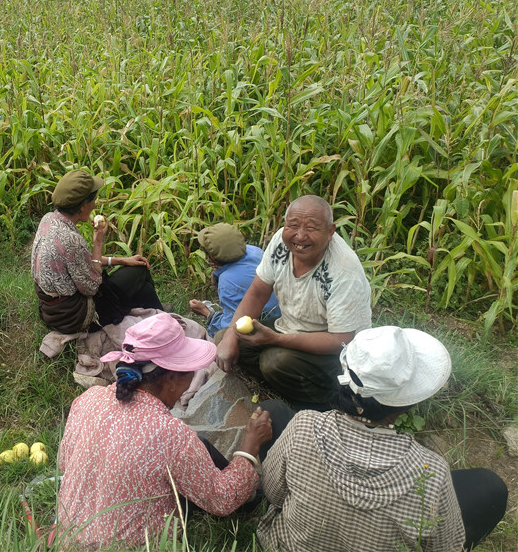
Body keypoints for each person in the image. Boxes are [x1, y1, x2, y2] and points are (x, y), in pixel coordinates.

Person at [258, 326, 508, 552]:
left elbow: (273, 493)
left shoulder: (304, 426)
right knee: (489, 486)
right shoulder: (431, 474)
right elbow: (445, 546)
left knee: (273, 411)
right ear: (407, 403)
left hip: (290, 545)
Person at [57, 313, 273, 550]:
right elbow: (222, 499)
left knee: (195, 450)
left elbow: (64, 465)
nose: (191, 381)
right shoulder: (171, 435)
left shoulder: (88, 400)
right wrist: (250, 446)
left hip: (68, 541)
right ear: (170, 378)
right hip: (133, 547)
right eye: (190, 373)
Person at [217, 195, 372, 408]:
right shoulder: (280, 242)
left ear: (330, 232)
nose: (300, 236)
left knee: (274, 361)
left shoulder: (344, 270)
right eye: (292, 225)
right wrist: (230, 335)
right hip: (289, 328)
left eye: (311, 228)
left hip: (336, 351)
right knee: (225, 339)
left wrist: (275, 340)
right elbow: (258, 293)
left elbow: (341, 340)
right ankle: (287, 380)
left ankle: (328, 402)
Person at [31, 169, 163, 334]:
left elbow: (81, 261)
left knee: (145, 290)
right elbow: (93, 287)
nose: (95, 204)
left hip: (53, 312)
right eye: (93, 200)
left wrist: (122, 260)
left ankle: (157, 313)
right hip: (74, 317)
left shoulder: (49, 220)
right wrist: (98, 241)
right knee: (139, 270)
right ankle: (161, 318)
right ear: (83, 206)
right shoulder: (71, 240)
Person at [188, 223, 280, 339]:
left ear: (211, 259)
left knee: (220, 337)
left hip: (270, 325)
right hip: (283, 311)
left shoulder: (227, 282)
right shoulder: (254, 251)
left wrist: (207, 313)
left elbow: (233, 327)